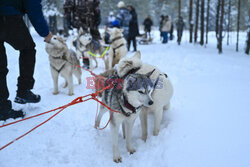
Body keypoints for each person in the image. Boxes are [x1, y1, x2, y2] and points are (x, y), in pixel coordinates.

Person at [0, 0, 52, 121]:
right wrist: (46, 33)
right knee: (28, 49)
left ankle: (2, 108)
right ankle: (24, 91)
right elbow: (33, 7)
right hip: (8, 17)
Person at [64, 0, 102, 69]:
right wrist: (68, 19)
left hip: (92, 21)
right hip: (79, 21)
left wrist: (98, 15)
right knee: (82, 42)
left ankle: (96, 57)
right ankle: (86, 61)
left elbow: (96, 4)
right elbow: (67, 6)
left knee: (95, 41)